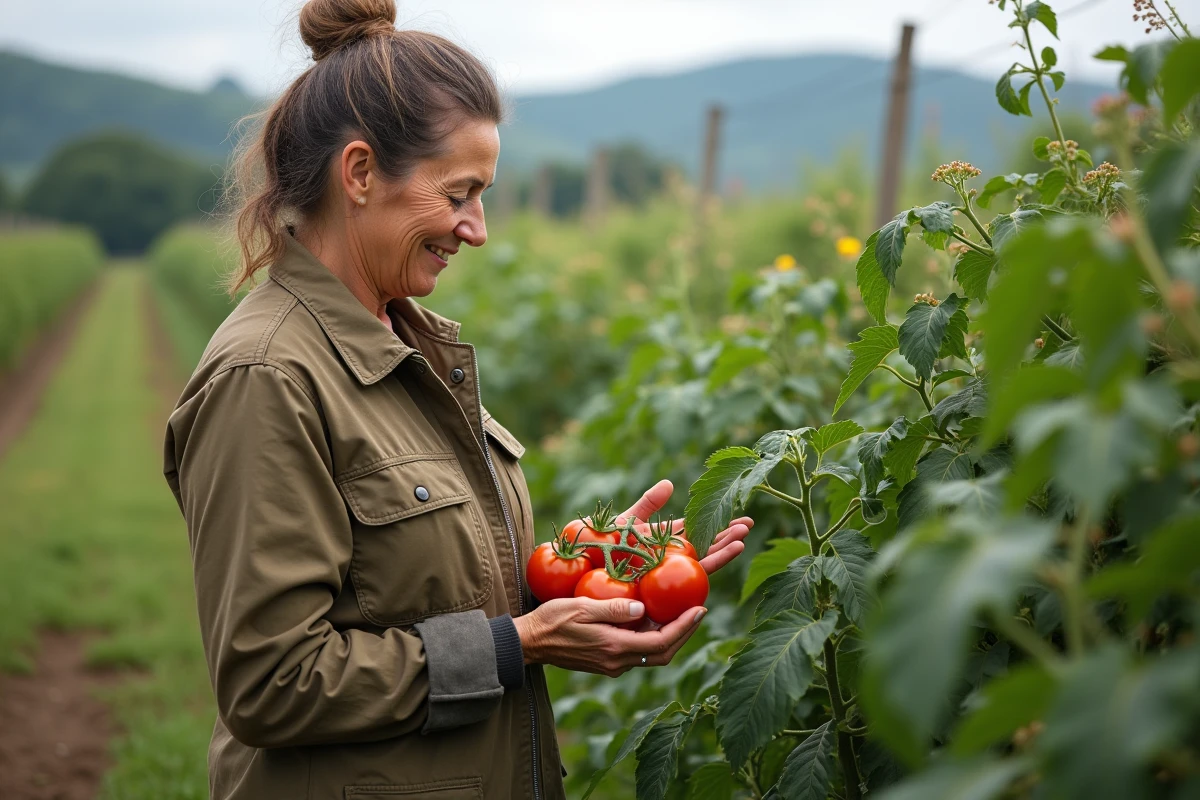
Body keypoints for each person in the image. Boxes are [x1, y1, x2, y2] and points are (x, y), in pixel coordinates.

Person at [162, 1, 753, 797]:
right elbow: (273, 681)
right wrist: (519, 646)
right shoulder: (268, 377)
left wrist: (599, 569)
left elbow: (412, 583)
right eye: (459, 193)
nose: (476, 229)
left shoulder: (402, 346)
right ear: (362, 173)